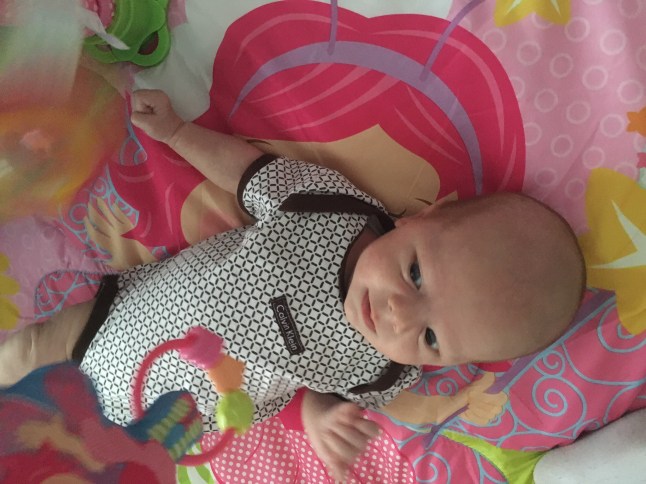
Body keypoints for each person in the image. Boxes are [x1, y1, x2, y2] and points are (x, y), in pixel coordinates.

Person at [0, 90, 585, 481]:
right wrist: (177, 131)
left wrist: (320, 420)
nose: (398, 314)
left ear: (444, 361)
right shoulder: (335, 211)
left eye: (431, 338)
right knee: (15, 359)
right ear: (421, 217)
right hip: (109, 323)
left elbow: (322, 396)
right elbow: (246, 173)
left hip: (155, 432)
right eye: (414, 273)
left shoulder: (385, 370)